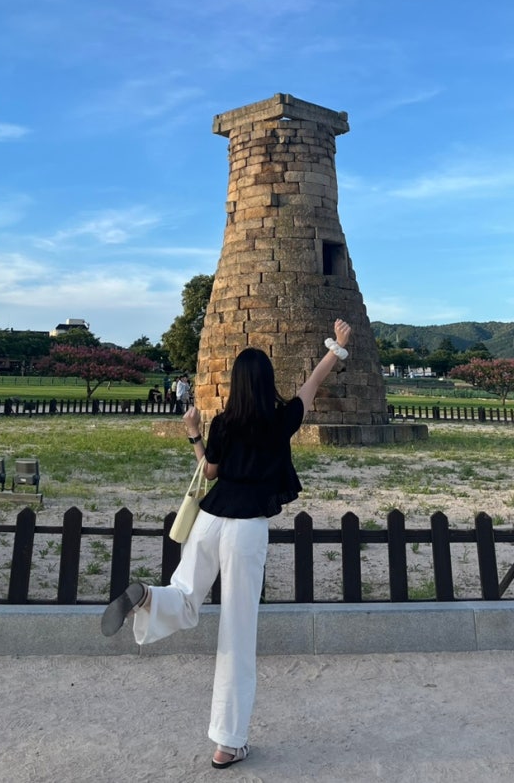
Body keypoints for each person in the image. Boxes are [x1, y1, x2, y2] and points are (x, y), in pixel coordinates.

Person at [101, 318, 352, 770]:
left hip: (210, 519)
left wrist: (194, 434)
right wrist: (336, 347)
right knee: (237, 629)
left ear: (235, 383)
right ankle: (228, 742)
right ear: (267, 383)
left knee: (185, 594)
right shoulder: (279, 420)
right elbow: (313, 384)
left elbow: (209, 471)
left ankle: (148, 598)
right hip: (246, 528)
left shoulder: (224, 423)